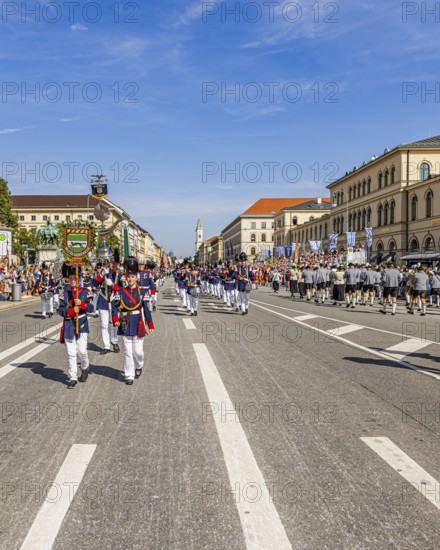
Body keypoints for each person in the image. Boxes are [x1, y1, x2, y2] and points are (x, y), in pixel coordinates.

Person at [111, 257, 155, 385]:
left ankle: (139, 365)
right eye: (128, 277)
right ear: (126, 278)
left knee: (138, 352)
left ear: (136, 278)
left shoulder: (142, 292)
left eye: (133, 277)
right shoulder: (121, 291)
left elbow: (146, 310)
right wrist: (115, 319)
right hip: (125, 323)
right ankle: (128, 375)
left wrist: (150, 324)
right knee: (127, 353)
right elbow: (114, 307)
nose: (130, 279)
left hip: (138, 323)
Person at [58, 264, 94, 389]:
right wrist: (72, 310)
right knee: (71, 352)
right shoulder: (64, 293)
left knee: (82, 350)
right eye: (71, 278)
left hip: (82, 323)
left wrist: (82, 305)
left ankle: (85, 366)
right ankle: (72, 376)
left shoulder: (85, 291)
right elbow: (60, 310)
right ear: (68, 279)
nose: (73, 281)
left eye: (76, 278)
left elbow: (91, 308)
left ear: (80, 279)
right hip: (69, 324)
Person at [93, 259, 121, 354]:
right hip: (103, 301)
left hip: (114, 302)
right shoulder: (103, 274)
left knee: (114, 324)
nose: (113, 265)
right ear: (109, 263)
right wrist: (101, 275)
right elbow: (94, 283)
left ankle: (114, 341)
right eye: (112, 263)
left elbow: (123, 290)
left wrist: (113, 285)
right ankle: (106, 346)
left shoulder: (119, 275)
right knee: (104, 325)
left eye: (115, 263)